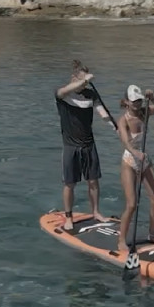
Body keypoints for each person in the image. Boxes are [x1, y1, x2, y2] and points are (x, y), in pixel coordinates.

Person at [55, 60, 111, 231]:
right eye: (82, 80)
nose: (85, 84)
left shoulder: (91, 95)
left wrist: (114, 125)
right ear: (74, 78)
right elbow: (65, 90)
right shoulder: (62, 93)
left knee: (93, 181)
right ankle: (68, 217)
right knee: (70, 183)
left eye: (86, 81)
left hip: (89, 144)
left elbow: (102, 113)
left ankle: (96, 212)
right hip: (70, 146)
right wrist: (85, 80)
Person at [117, 84, 154, 252]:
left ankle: (152, 235)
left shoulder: (144, 113)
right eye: (134, 101)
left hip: (145, 160)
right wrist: (135, 152)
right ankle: (121, 240)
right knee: (131, 204)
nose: (137, 104)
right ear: (126, 102)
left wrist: (152, 97)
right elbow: (126, 142)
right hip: (130, 161)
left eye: (139, 101)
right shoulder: (123, 120)